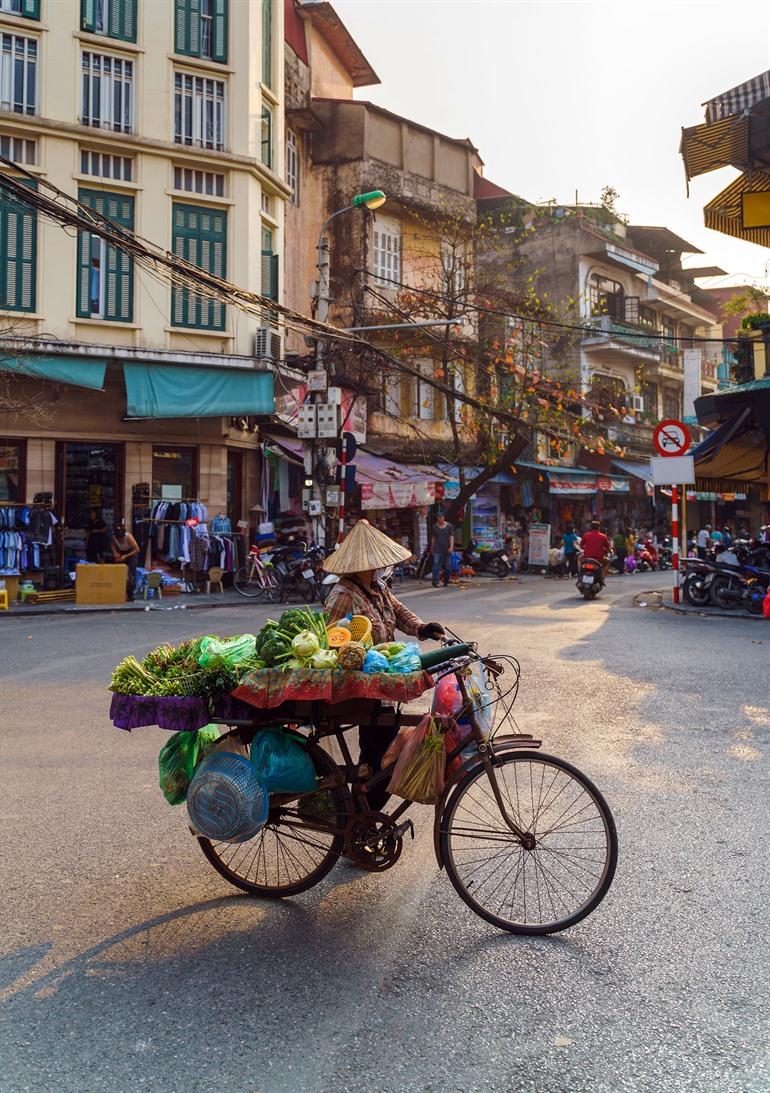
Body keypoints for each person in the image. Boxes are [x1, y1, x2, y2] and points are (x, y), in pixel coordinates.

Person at [323, 519, 444, 809]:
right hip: (364, 687)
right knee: (383, 755)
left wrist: (421, 628)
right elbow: (331, 640)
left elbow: (399, 612)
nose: (382, 568)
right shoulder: (342, 596)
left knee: (379, 753)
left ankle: (362, 817)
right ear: (362, 565)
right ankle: (360, 818)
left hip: (384, 684)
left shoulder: (377, 587)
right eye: (377, 564)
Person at [111, 523, 140, 601]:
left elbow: (137, 549)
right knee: (117, 571)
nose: (120, 540)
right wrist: (115, 553)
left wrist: (126, 556)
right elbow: (112, 545)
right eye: (119, 539)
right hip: (121, 552)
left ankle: (130, 594)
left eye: (121, 538)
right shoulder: (114, 538)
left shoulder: (128, 537)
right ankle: (117, 591)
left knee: (131, 574)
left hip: (131, 553)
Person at [430, 512, 454, 588]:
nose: (440, 519)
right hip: (437, 548)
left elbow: (451, 536)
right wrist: (432, 547)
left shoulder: (449, 526)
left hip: (447, 548)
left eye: (441, 517)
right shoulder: (434, 526)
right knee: (436, 564)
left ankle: (446, 581)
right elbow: (433, 538)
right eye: (438, 518)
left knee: (447, 565)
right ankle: (435, 581)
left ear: (443, 517)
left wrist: (451, 546)